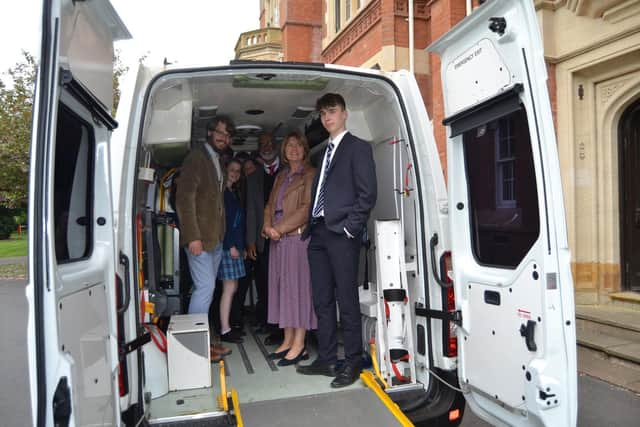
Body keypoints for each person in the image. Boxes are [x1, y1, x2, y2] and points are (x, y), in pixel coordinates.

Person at [296, 93, 377, 388]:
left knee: (347, 299)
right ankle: (328, 358)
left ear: (345, 113)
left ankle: (353, 360)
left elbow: (367, 194)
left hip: (341, 235)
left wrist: (349, 229)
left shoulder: (358, 148)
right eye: (323, 114)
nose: (327, 118)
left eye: (332, 111)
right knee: (322, 300)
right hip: (317, 233)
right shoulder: (323, 153)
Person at [176, 116, 234, 362]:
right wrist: (192, 237)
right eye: (221, 133)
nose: (224, 139)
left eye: (228, 135)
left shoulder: (217, 160)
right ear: (210, 133)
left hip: (215, 240)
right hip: (199, 239)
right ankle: (194, 348)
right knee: (205, 288)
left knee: (207, 292)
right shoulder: (196, 157)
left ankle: (205, 342)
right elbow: (184, 198)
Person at [263, 131, 317, 366]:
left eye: (298, 145)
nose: (293, 149)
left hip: (296, 239)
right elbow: (269, 205)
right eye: (289, 145)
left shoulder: (310, 174)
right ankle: (287, 341)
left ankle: (299, 344)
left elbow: (306, 209)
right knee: (283, 290)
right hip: (278, 240)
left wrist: (280, 228)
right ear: (284, 151)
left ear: (304, 150)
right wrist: (267, 226)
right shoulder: (281, 175)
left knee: (299, 291)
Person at [245, 132, 282, 334]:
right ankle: (270, 324)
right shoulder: (253, 178)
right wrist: (250, 242)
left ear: (276, 144)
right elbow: (251, 211)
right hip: (262, 240)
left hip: (287, 237)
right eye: (262, 144)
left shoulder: (289, 170)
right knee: (264, 282)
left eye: (269, 142)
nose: (266, 147)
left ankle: (284, 326)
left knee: (284, 283)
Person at [218, 159, 246, 344]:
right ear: (225, 170)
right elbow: (224, 223)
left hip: (235, 246)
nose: (235, 173)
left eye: (238, 170)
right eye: (232, 169)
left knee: (232, 287)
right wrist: (231, 245)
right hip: (228, 247)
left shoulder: (231, 193)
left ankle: (225, 326)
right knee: (229, 288)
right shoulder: (223, 194)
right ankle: (225, 329)